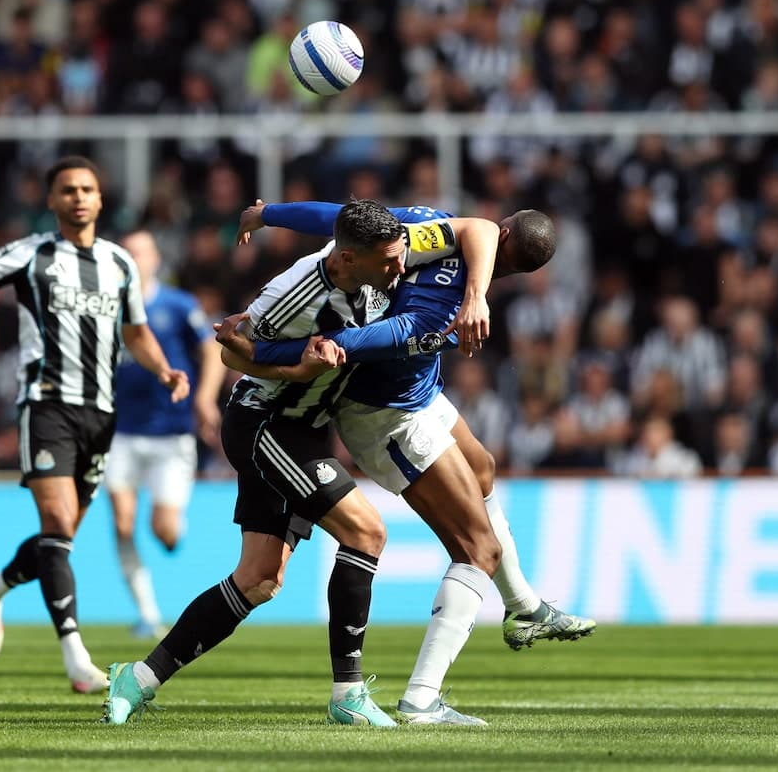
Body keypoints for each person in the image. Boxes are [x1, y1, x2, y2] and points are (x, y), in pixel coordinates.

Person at [101, 199, 500, 726]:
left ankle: (138, 678)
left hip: (307, 430)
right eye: (387, 262)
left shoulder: (393, 245)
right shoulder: (292, 298)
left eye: (400, 253)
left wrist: (268, 214)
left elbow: (478, 228)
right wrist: (296, 370)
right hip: (266, 424)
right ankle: (348, 694)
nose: (399, 269)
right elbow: (232, 353)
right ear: (348, 260)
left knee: (259, 578)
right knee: (366, 533)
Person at [218, 199, 596, 725]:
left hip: (420, 394)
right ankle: (421, 699)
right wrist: (259, 351)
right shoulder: (435, 306)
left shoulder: (424, 230)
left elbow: (344, 216)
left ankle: (524, 607)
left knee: (482, 467)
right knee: (478, 548)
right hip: (387, 417)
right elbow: (341, 343)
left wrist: (268, 214)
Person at [0, 156, 190, 693]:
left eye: (87, 189)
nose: (77, 197)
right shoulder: (30, 254)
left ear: (99, 199)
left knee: (61, 536)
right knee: (56, 520)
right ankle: (75, 656)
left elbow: (136, 332)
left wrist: (164, 369)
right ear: (51, 200)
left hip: (101, 413)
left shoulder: (120, 263)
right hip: (46, 405)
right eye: (67, 190)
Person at [106, 229, 224, 639]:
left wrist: (205, 400)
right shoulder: (107, 306)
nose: (133, 260)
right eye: (127, 253)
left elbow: (212, 351)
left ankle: (174, 528)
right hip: (119, 431)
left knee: (164, 530)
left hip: (171, 434)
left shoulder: (177, 305)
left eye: (140, 252)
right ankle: (147, 612)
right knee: (122, 524)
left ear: (155, 259)